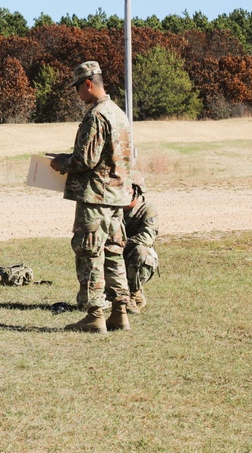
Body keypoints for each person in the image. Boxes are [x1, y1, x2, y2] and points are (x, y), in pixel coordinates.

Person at [49, 61, 133, 333]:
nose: (77, 95)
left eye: (77, 88)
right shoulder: (118, 113)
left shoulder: (97, 115)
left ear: (88, 83)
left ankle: (95, 315)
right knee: (113, 253)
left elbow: (85, 160)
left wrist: (61, 162)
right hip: (116, 198)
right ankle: (120, 312)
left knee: (90, 254)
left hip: (96, 199)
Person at [122, 170, 159, 313]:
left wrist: (122, 244)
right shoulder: (113, 209)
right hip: (115, 254)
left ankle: (135, 292)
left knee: (141, 251)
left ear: (136, 191)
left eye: (127, 188)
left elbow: (147, 237)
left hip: (133, 255)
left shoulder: (147, 210)